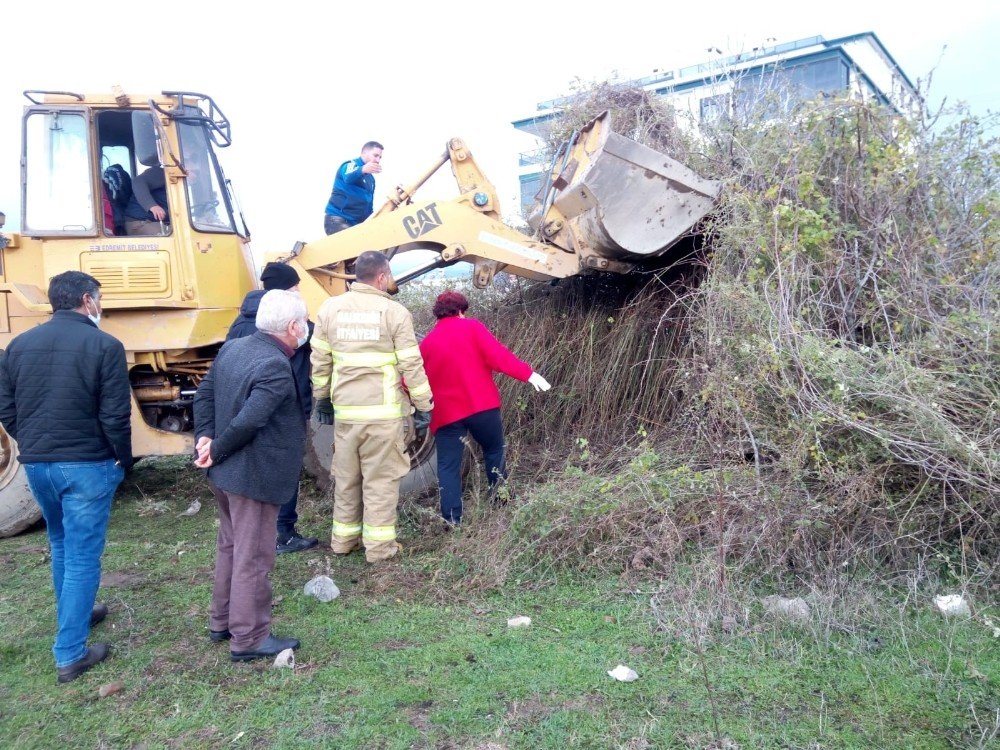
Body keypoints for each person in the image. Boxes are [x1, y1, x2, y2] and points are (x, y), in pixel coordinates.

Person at [0, 271, 132, 683]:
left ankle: (78, 611)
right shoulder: (105, 345)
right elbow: (115, 415)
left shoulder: (17, 345)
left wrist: (35, 444)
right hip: (87, 465)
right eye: (99, 298)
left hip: (39, 466)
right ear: (87, 301)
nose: (100, 305)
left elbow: (7, 409)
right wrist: (122, 459)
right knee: (80, 556)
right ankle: (70, 653)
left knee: (60, 543)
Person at [193, 290, 307, 662]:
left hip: (226, 476)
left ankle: (222, 620)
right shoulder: (274, 364)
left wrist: (205, 438)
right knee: (254, 557)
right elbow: (251, 420)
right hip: (252, 475)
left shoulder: (233, 348)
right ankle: (250, 637)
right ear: (293, 326)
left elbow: (203, 396)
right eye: (303, 323)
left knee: (231, 547)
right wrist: (216, 445)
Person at [310, 251, 433, 562]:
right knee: (380, 481)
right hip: (384, 416)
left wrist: (322, 398)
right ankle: (379, 549)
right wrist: (423, 405)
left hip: (347, 415)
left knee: (347, 477)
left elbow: (321, 361)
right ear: (382, 277)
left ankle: (343, 540)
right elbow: (411, 364)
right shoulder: (394, 313)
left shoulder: (330, 310)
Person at [418, 291, 551, 525]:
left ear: (437, 314)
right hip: (482, 407)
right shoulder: (472, 328)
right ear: (461, 310)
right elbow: (499, 357)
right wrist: (529, 374)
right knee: (494, 451)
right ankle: (501, 502)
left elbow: (411, 379)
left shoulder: (427, 344)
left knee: (448, 467)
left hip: (447, 415)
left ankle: (451, 520)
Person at [226, 262, 319, 555]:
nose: (299, 291)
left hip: (245, 409)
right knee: (286, 469)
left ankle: (256, 531)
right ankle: (283, 533)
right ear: (287, 290)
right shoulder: (295, 326)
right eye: (296, 286)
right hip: (286, 409)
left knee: (253, 469)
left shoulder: (239, 324)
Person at [323, 141, 383, 235]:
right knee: (358, 243)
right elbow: (348, 177)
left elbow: (368, 206)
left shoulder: (371, 180)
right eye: (375, 155)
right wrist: (362, 169)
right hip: (337, 220)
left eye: (380, 157)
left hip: (356, 225)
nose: (378, 160)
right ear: (364, 153)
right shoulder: (349, 165)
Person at [123, 165, 168, 236]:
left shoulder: (182, 187)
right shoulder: (164, 174)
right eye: (192, 170)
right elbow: (138, 181)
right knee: (171, 235)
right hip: (139, 223)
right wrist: (152, 206)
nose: (191, 174)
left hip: (159, 223)